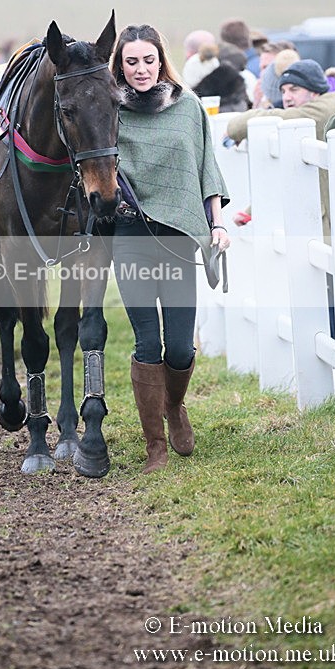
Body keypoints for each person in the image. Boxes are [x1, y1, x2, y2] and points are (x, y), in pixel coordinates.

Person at [110, 24, 230, 474]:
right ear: (119, 66)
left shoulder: (188, 107)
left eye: (148, 60)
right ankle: (155, 445)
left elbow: (206, 169)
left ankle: (175, 406)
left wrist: (217, 223)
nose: (141, 69)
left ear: (161, 60)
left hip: (179, 236)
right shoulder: (111, 111)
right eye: (131, 61)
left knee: (179, 347)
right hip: (131, 236)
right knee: (148, 341)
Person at [226, 59, 335, 236]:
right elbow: (290, 172)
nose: (287, 97)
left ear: (315, 91)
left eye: (294, 89)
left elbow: (278, 117)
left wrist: (234, 128)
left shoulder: (323, 110)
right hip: (326, 223)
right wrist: (253, 211)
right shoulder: (313, 113)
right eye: (283, 91)